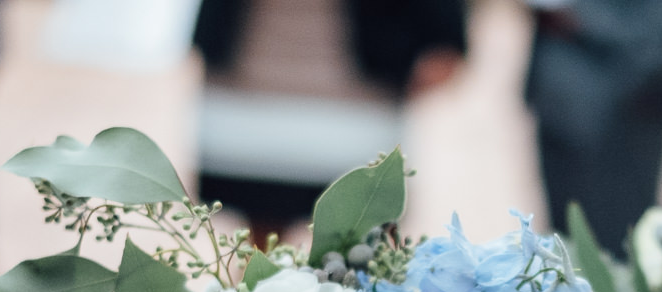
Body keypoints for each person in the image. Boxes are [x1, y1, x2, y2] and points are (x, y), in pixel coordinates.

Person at [191, 0, 467, 241]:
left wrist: (443, 38)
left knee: (362, 236)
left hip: (361, 92)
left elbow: (443, 51)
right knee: (260, 227)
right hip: (248, 82)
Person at [525, 0, 662, 252]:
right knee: (570, 239)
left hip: (623, 85)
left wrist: (577, 15)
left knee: (617, 236)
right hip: (570, 88)